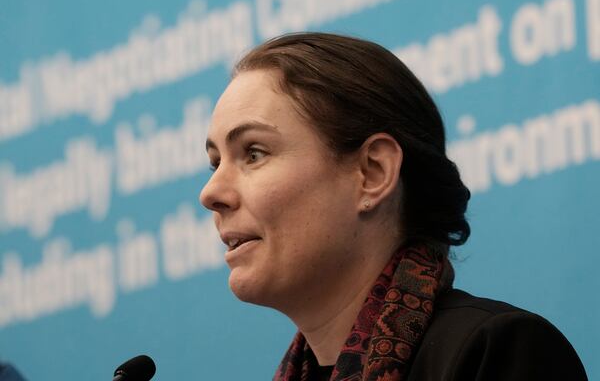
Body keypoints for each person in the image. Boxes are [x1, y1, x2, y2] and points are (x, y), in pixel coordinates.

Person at [199, 32, 587, 380]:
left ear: (373, 172)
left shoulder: (495, 353)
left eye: (253, 153)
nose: (211, 192)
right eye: (216, 162)